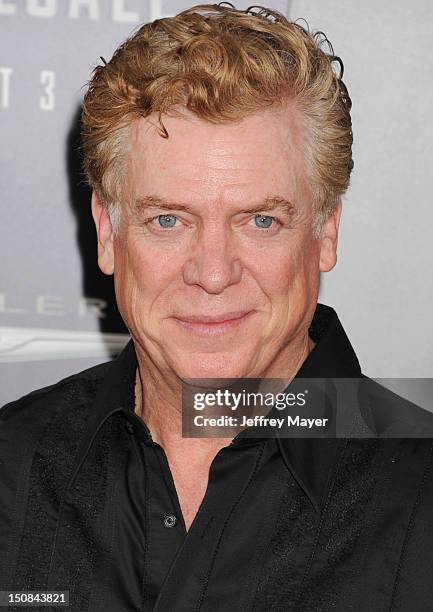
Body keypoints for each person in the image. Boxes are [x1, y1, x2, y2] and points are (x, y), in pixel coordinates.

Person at [1, 3, 433, 611]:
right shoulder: (11, 468)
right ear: (106, 231)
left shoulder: (420, 493)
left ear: (326, 230)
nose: (212, 273)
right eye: (168, 220)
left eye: (260, 220)